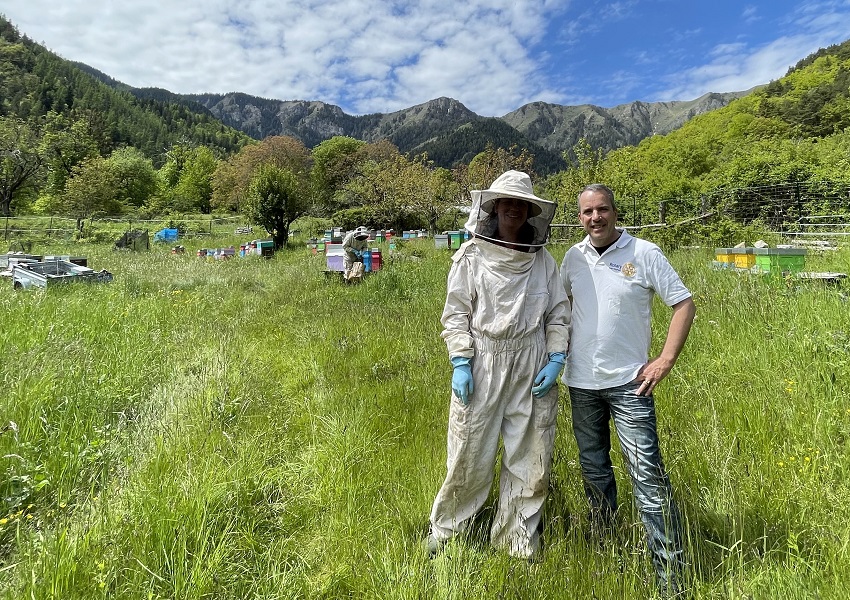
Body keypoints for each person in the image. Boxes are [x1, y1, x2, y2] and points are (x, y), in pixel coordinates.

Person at [427, 170, 571, 561]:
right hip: (483, 362)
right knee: (469, 450)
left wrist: (556, 357)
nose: (513, 209)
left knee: (531, 454)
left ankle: (517, 539)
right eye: (505, 202)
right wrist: (460, 359)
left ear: (529, 211)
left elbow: (558, 313)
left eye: (520, 203)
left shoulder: (544, 261)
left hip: (532, 361)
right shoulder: (470, 256)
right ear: (492, 208)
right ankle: (447, 530)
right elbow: (456, 314)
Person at [560, 183, 696, 594]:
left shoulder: (644, 253)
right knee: (594, 472)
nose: (595, 218)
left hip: (630, 386)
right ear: (579, 217)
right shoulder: (572, 257)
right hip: (580, 383)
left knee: (647, 478)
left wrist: (665, 360)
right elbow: (561, 311)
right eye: (587, 212)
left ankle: (671, 577)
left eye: (602, 210)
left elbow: (683, 304)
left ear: (615, 212)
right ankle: (606, 552)